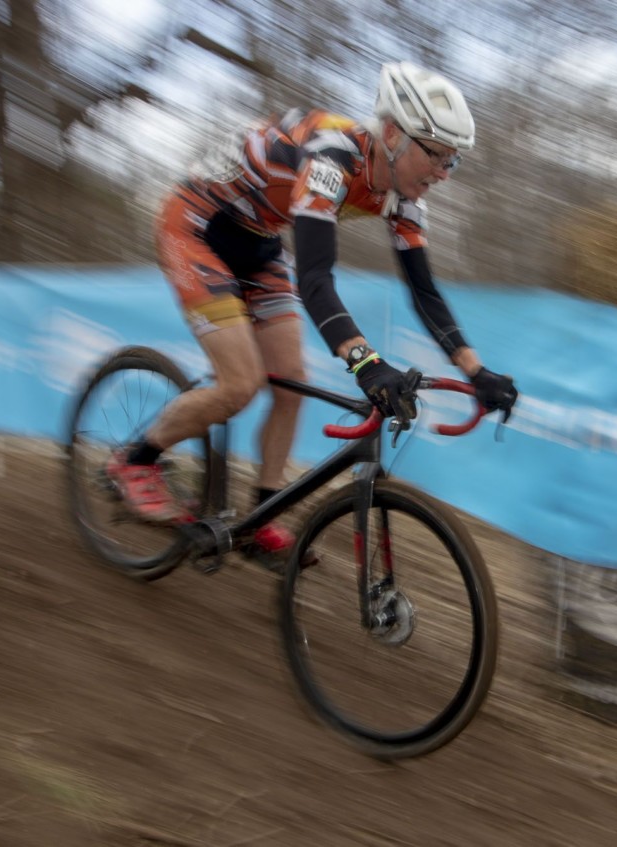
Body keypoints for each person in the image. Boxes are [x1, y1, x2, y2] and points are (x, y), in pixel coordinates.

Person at [106, 61, 519, 557]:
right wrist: (366, 363)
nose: (443, 174)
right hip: (196, 226)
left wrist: (476, 371)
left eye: (453, 162)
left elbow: (424, 291)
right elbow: (316, 279)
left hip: (258, 242)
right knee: (240, 384)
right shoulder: (331, 157)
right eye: (435, 156)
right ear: (391, 133)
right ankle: (136, 458)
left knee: (290, 381)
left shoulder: (406, 196)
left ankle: (261, 516)